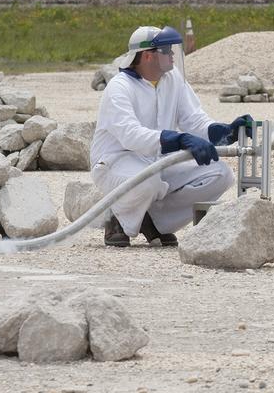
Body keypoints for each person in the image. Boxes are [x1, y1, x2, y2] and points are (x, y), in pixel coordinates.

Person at [90, 26, 253, 247]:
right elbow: (131, 136)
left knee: (220, 174)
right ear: (147, 55)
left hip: (157, 160)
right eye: (166, 50)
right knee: (148, 181)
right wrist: (178, 139)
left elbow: (194, 120)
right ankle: (117, 216)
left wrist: (225, 132)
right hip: (117, 162)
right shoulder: (119, 88)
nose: (173, 55)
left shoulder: (173, 79)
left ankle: (155, 223)